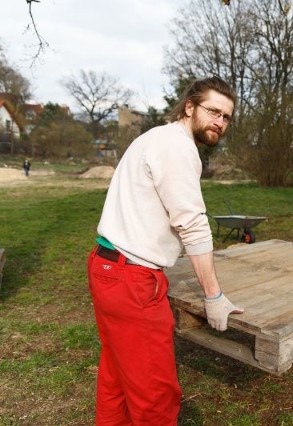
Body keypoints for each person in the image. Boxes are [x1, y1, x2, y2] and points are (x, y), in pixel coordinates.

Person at [87, 76, 244, 425]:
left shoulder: (155, 138)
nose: (220, 121)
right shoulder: (177, 147)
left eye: (227, 116)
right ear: (190, 107)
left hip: (106, 267)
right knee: (155, 396)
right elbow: (192, 223)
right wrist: (213, 295)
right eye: (213, 111)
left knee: (116, 376)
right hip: (132, 280)